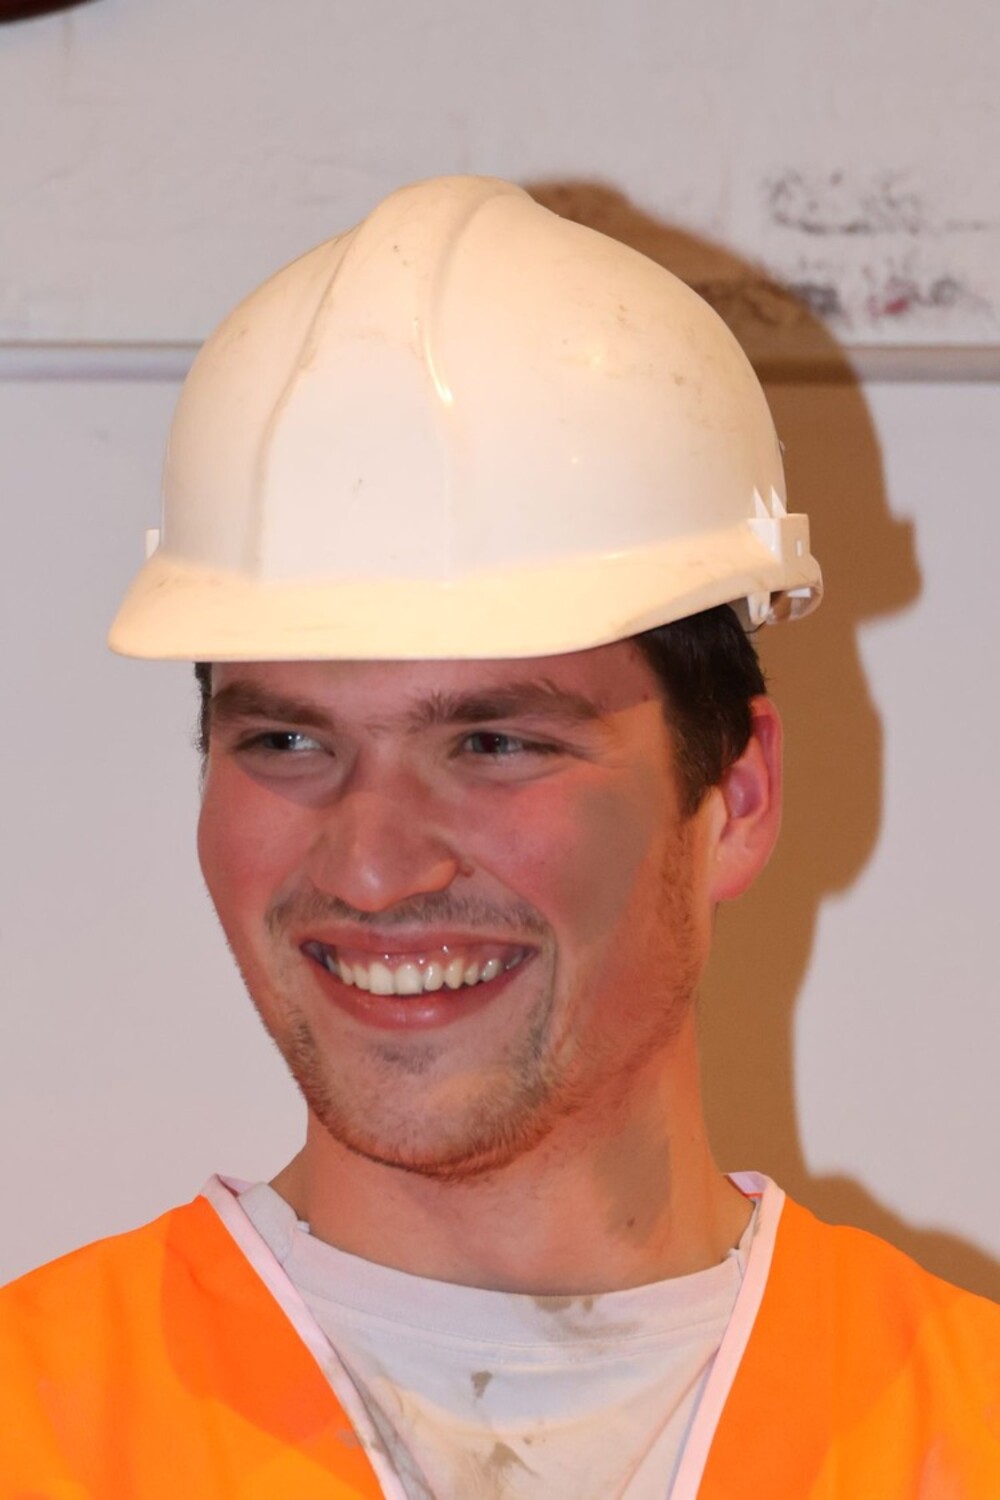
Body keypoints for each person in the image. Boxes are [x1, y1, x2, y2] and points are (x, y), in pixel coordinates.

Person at [2, 175, 997, 1499]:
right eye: (288, 741)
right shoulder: (36, 1428)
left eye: (494, 745)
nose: (371, 867)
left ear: (737, 797)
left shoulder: (964, 1434)